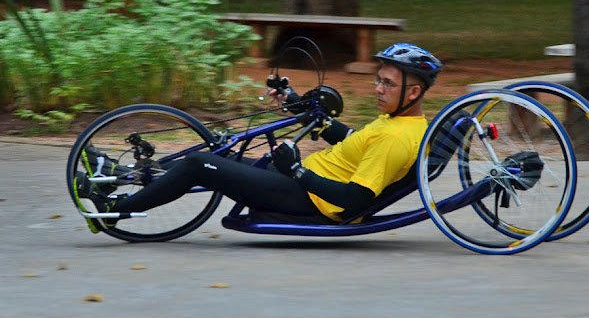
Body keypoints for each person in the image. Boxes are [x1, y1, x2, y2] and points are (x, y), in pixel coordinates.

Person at [74, 43, 444, 233]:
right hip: (302, 181)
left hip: (308, 198)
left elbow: (354, 200)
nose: (378, 88)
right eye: (378, 79)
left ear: (413, 93)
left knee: (197, 164)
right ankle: (114, 177)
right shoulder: (398, 124)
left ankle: (113, 213)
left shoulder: (396, 139)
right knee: (219, 154)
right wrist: (300, 107)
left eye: (388, 83)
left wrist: (298, 171)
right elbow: (349, 139)